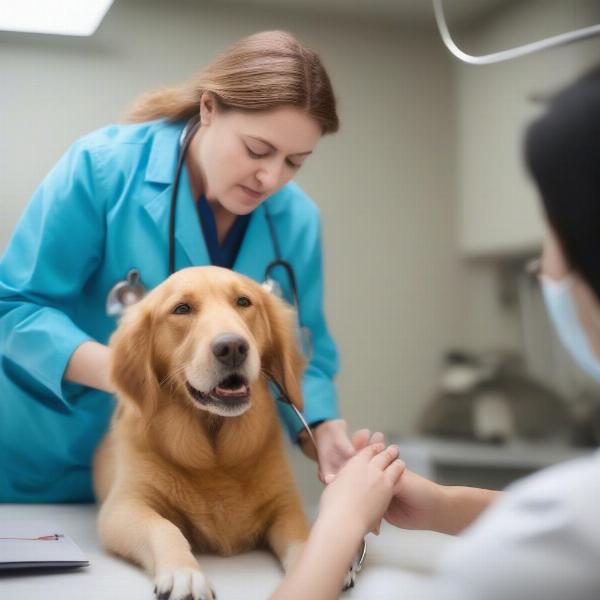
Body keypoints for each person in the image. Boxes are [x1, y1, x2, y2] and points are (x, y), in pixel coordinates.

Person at [269, 67, 600, 600]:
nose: (544, 268)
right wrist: (445, 506)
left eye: (552, 236)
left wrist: (340, 523)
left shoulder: (529, 552)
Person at [0, 30, 359, 502]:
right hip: (48, 462)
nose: (271, 178)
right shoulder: (103, 169)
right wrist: (136, 372)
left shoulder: (296, 221)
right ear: (209, 109)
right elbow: (17, 308)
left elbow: (303, 347)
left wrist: (321, 424)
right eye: (257, 150)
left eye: (295, 161)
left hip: (183, 481)